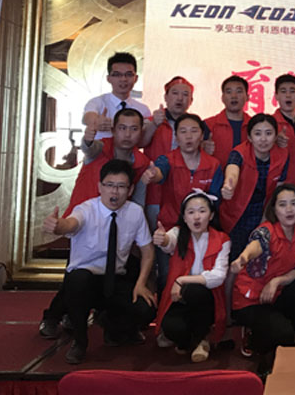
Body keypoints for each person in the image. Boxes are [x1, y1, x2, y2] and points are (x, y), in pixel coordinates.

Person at [41, 159, 156, 364]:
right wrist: (58, 226)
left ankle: (112, 326)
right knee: (78, 280)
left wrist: (141, 284)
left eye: (121, 186)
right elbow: (71, 224)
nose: (115, 191)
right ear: (100, 187)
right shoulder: (86, 209)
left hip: (115, 279)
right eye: (109, 185)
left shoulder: (135, 212)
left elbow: (147, 251)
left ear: (130, 190)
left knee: (146, 309)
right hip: (85, 281)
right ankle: (80, 341)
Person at [230, 184, 295, 374]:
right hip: (251, 301)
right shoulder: (265, 231)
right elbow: (256, 246)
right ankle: (255, 341)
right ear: (274, 209)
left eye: (294, 203)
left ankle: (288, 335)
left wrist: (277, 281)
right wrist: (243, 258)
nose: (289, 209)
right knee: (282, 333)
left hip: (276, 294)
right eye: (282, 204)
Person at [142, 113, 223, 291]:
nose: (188, 136)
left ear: (202, 136)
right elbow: (159, 173)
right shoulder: (167, 160)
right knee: (166, 276)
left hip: (201, 232)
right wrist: (153, 175)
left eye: (194, 131)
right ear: (176, 136)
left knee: (198, 276)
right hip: (170, 228)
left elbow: (216, 200)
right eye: (183, 131)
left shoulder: (213, 164)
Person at [153, 190, 230, 363]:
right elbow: (168, 242)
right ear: (184, 217)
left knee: (195, 291)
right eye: (191, 212)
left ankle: (202, 339)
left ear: (211, 215)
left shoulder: (222, 239)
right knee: (172, 328)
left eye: (202, 211)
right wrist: (162, 239)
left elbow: (218, 276)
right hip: (179, 297)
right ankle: (191, 339)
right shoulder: (178, 233)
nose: (197, 217)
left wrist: (182, 280)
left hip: (206, 297)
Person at [220, 114, 290, 259]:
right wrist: (228, 184)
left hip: (263, 212)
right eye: (258, 134)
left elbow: (277, 191)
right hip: (237, 214)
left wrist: (266, 218)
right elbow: (232, 170)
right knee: (235, 256)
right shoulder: (239, 152)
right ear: (250, 137)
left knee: (258, 257)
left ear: (276, 136)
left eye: (268, 133)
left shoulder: (283, 155)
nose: (263, 139)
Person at [62, 107, 150, 217]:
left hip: (115, 221)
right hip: (80, 218)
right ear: (113, 130)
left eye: (134, 129)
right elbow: (88, 148)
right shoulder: (100, 148)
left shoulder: (143, 163)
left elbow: (138, 203)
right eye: (122, 128)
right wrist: (87, 140)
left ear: (141, 132)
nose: (127, 134)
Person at [143, 76, 204, 229]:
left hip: (185, 193)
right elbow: (140, 143)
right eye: (175, 93)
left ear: (191, 100)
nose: (180, 98)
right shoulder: (152, 120)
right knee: (156, 236)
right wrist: (154, 124)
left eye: (185, 94)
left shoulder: (197, 126)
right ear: (165, 97)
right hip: (155, 193)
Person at [82, 52, 151, 140]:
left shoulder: (143, 110)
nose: (123, 79)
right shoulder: (97, 102)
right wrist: (96, 122)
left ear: (136, 78)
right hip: (101, 148)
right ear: (108, 78)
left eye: (129, 74)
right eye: (117, 75)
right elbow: (88, 117)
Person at [204, 75, 250, 168]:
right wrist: (201, 149)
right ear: (222, 98)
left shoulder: (254, 126)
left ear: (247, 97)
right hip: (217, 176)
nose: (234, 96)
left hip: (248, 176)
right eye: (229, 92)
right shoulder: (208, 125)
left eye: (239, 91)